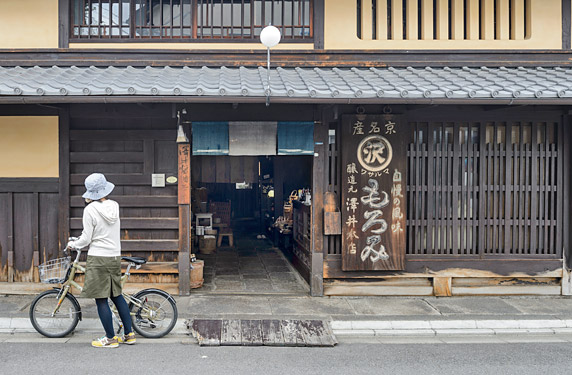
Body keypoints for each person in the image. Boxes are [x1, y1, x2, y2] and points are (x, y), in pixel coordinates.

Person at [67, 173, 135, 348]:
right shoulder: (114, 205)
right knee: (117, 295)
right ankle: (129, 334)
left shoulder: (90, 210)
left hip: (98, 257)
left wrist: (73, 244)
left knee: (101, 299)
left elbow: (86, 238)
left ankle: (110, 338)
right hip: (114, 256)